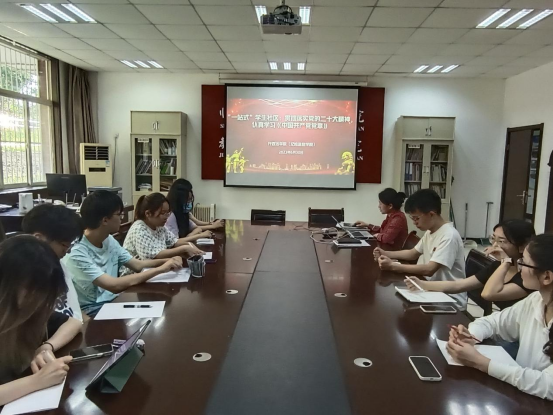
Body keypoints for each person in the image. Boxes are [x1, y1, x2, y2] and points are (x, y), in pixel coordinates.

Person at [447, 234, 553, 400]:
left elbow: (548, 385)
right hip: (520, 397)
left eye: (523, 262)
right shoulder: (536, 300)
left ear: (547, 277)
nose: (519, 268)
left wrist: (481, 362)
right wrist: (471, 335)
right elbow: (493, 322)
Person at [62, 191, 183, 316]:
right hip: (93, 309)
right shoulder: (77, 251)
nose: (121, 218)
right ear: (105, 220)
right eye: (119, 214)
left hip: (115, 300)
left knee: (162, 311)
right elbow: (113, 285)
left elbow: (137, 265)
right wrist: (161, 269)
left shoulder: (108, 239)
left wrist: (169, 261)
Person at [0, 237, 73, 406]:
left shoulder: (29, 312)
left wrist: (46, 346)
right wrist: (36, 381)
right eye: (33, 291)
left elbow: (73, 323)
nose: (40, 302)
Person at [405, 220, 535, 310]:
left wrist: (506, 261)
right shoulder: (497, 266)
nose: (495, 246)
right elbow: (459, 285)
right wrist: (422, 284)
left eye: (501, 241)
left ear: (522, 246)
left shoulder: (528, 275)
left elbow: (488, 294)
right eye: (493, 239)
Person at [375, 189, 466, 306]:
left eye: (416, 218)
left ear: (431, 214)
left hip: (449, 298)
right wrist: (385, 253)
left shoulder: (449, 236)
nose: (414, 223)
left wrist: (393, 266)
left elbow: (429, 269)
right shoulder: (430, 232)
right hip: (430, 289)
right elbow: (413, 253)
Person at [21, 204, 84, 354]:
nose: (66, 251)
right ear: (39, 239)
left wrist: (48, 346)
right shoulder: (19, 275)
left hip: (64, 341)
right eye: (64, 245)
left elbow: (75, 320)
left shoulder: (57, 263)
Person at [123, 193, 204, 269]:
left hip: (156, 268)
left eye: (168, 213)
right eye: (163, 213)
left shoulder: (159, 226)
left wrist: (189, 245)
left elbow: (174, 241)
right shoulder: (139, 229)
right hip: (136, 273)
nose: (166, 217)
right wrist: (183, 249)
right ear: (148, 214)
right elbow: (153, 256)